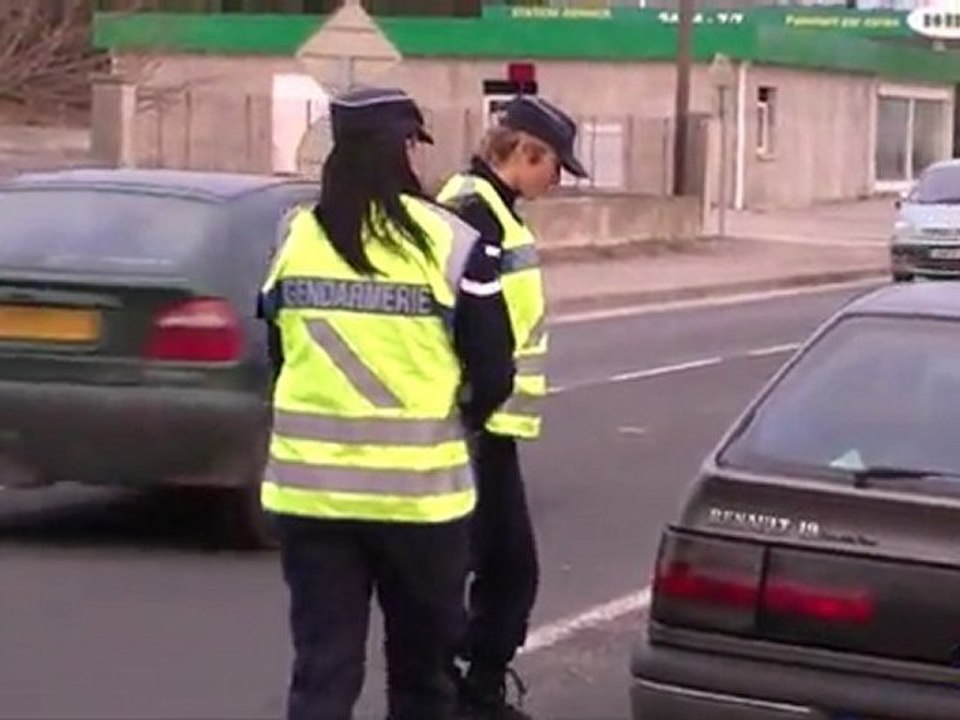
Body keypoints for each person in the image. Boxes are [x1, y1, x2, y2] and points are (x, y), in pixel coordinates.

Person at [256, 86, 515, 720]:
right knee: (423, 680)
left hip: (310, 498)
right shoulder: (450, 243)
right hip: (420, 504)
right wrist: (460, 421)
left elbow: (278, 350)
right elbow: (494, 370)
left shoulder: (297, 237)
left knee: (323, 674)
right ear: (404, 147)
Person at [436, 95, 588, 720]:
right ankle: (460, 691)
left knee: (497, 567)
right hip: (475, 426)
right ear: (525, 153)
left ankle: (467, 686)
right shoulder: (475, 215)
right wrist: (476, 407)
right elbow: (466, 326)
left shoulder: (494, 211)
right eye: (555, 165)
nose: (558, 179)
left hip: (488, 425)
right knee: (496, 567)